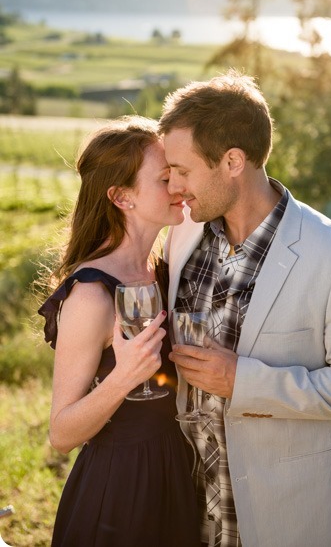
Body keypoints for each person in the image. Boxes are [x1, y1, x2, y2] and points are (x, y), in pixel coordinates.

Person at [158, 71, 331, 547]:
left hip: (287, 515)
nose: (173, 186)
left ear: (232, 161)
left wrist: (244, 381)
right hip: (188, 509)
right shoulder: (183, 234)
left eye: (183, 170)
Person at [37, 116, 200, 547]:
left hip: (176, 475)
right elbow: (61, 434)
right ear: (122, 196)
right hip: (120, 490)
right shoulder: (92, 295)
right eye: (166, 178)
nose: (178, 188)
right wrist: (124, 376)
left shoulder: (165, 271)